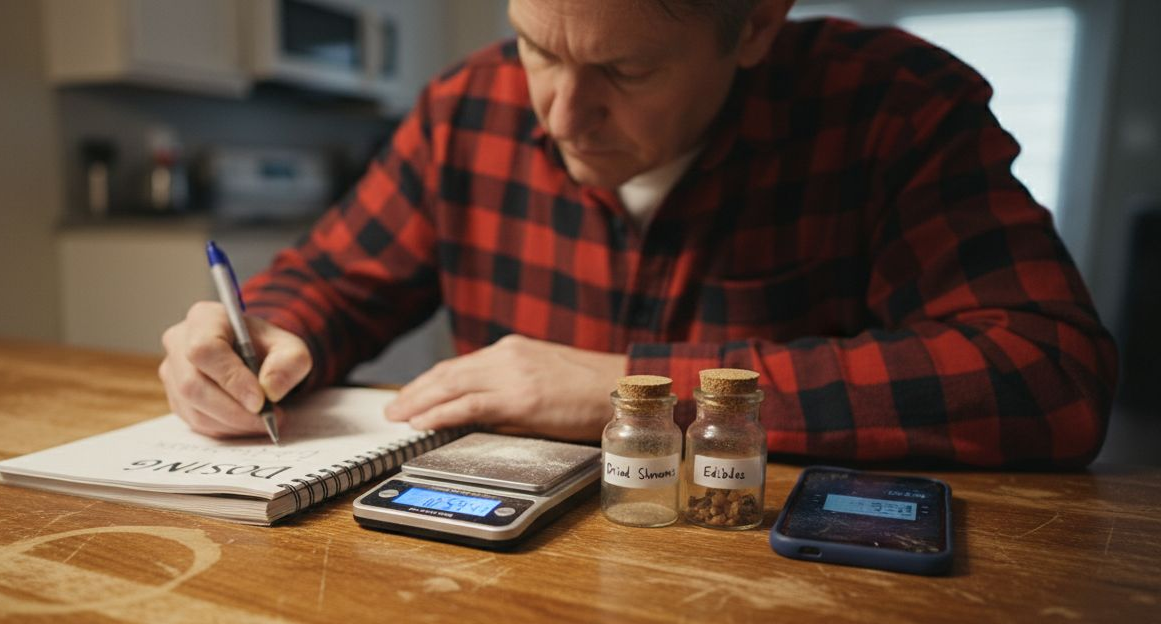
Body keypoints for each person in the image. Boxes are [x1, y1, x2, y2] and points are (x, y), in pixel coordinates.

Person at [159, 0, 1117, 467]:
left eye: (625, 71)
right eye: (537, 48)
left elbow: (1047, 373)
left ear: (754, 25)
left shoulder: (889, 108)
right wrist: (263, 336)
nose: (560, 117)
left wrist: (644, 393)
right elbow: (333, 282)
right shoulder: (467, 109)